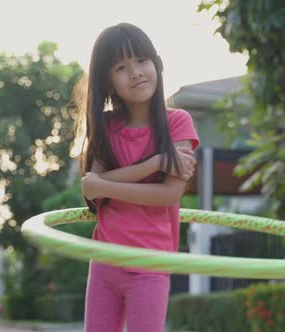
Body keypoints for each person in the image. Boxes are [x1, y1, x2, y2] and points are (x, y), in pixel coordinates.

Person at [73, 22, 200, 332]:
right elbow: (93, 191)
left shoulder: (178, 122)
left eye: (142, 60)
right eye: (121, 66)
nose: (136, 72)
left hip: (150, 264)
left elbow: (168, 196)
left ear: (156, 62)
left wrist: (105, 184)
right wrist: (155, 163)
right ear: (108, 80)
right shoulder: (105, 126)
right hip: (105, 259)